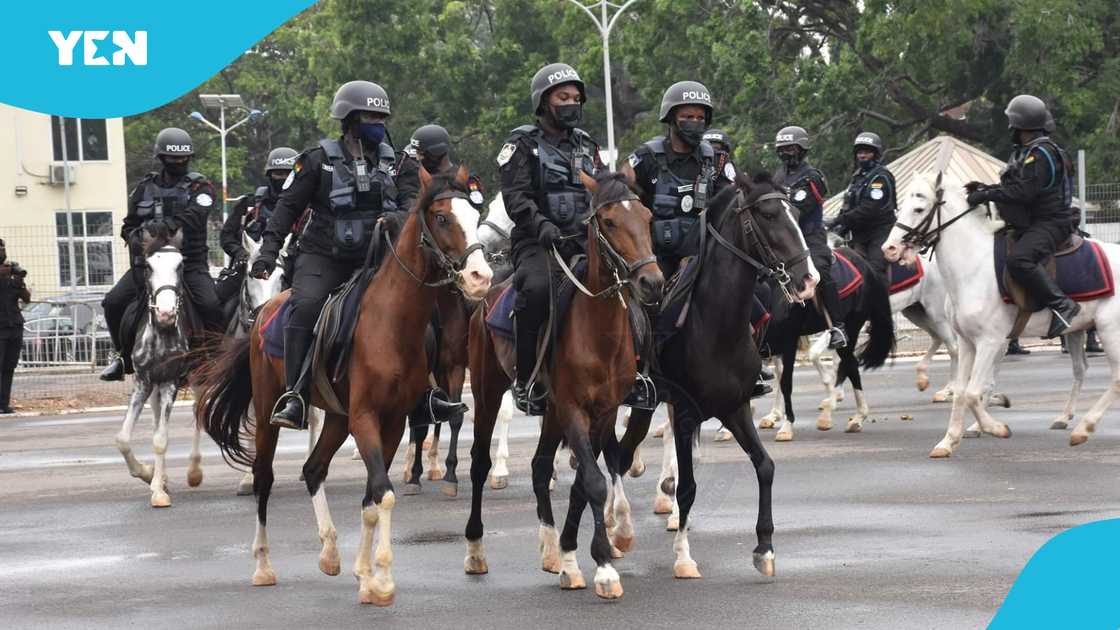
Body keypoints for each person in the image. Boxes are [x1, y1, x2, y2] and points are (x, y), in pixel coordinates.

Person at [250, 81, 461, 430]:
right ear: (349, 118)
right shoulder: (317, 161)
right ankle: (296, 394)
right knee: (306, 306)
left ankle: (425, 393)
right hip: (324, 257)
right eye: (370, 116)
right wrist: (267, 253)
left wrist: (395, 217)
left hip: (381, 258)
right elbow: (287, 209)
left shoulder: (400, 163)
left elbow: (413, 204)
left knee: (427, 311)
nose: (378, 123)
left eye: (382, 117)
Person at [499, 62, 603, 414]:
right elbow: (515, 196)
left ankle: (639, 373)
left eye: (576, 98)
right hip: (538, 241)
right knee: (538, 290)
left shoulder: (588, 145)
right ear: (544, 102)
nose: (571, 103)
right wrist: (540, 224)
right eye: (563, 97)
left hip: (585, 239)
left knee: (629, 284)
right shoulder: (522, 143)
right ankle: (527, 379)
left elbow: (603, 190)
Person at [99, 128, 222, 381]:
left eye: (183, 159)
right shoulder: (144, 188)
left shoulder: (201, 187)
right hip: (148, 266)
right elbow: (128, 225)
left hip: (188, 264)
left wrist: (165, 227)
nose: (178, 163)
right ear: (161, 158)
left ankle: (215, 357)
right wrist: (136, 237)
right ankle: (122, 356)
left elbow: (195, 216)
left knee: (211, 304)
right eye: (172, 158)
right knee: (112, 302)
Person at [966, 94, 1079, 339]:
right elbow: (1016, 186)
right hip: (1029, 222)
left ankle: (1062, 304)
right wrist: (986, 189)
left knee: (1019, 260)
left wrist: (988, 194)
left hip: (1050, 222)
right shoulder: (1026, 151)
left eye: (1012, 124)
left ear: (1019, 126)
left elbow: (1024, 192)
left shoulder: (1042, 154)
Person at [621, 80, 734, 280]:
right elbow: (622, 205)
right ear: (671, 118)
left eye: (701, 118)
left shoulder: (717, 160)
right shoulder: (646, 158)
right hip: (656, 259)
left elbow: (731, 207)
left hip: (705, 256)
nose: (695, 122)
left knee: (761, 292)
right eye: (688, 117)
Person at [773, 125, 846, 350]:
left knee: (820, 271)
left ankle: (837, 326)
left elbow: (796, 210)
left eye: (792, 148)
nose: (787, 153)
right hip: (783, 237)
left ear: (803, 149)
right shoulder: (778, 175)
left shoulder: (814, 177)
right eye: (783, 149)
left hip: (810, 236)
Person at [215, 146, 298, 305]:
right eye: (278, 174)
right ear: (269, 175)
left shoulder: (306, 207)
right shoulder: (249, 204)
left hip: (288, 270)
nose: (283, 178)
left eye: (288, 174)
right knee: (215, 301)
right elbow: (226, 236)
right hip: (248, 266)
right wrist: (240, 253)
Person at [827, 131, 896, 278]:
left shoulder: (880, 177)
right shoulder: (858, 176)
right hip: (859, 235)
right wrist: (834, 227)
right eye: (860, 152)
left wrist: (838, 220)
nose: (862, 156)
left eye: (867, 152)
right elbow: (847, 205)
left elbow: (869, 209)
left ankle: (880, 300)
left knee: (874, 272)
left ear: (876, 154)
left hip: (879, 233)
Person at [396, 124, 486, 211]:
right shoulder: (419, 178)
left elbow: (475, 212)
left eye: (421, 154)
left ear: (436, 153)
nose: (418, 158)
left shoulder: (465, 180)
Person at [0, 238, 30, 414]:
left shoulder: (12, 271)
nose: (2, 251)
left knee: (9, 366)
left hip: (15, 326)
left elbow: (26, 299)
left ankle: (4, 403)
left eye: (3, 248)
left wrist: (20, 282)